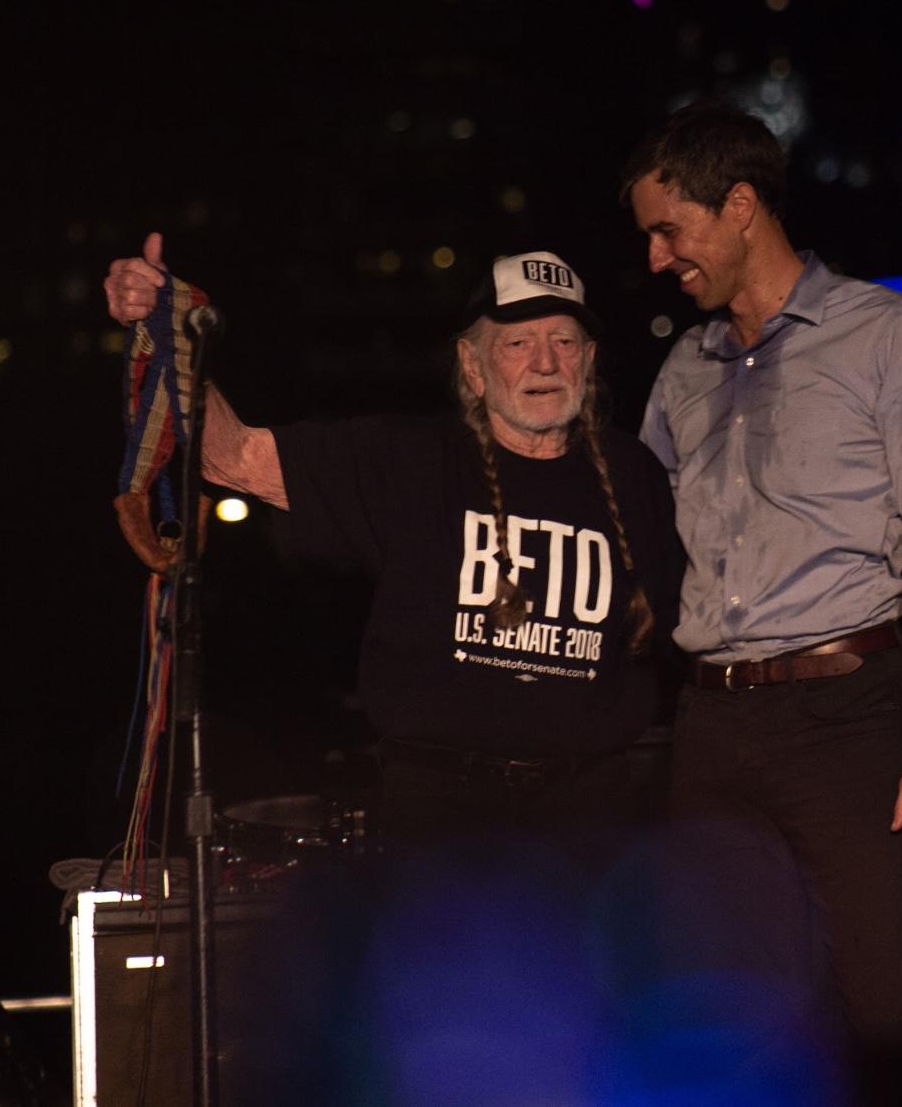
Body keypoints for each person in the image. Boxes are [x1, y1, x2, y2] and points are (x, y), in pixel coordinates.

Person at [103, 236, 682, 843]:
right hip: (439, 821)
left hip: (592, 821)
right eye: (517, 342)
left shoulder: (637, 475)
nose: (545, 362)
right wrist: (167, 329)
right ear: (472, 365)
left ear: (588, 362)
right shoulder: (406, 461)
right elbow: (233, 458)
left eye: (563, 341)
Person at [623, 102, 902, 1049]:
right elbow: (638, 550)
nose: (656, 258)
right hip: (711, 722)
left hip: (845, 713)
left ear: (739, 204)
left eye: (670, 229)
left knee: (887, 1006)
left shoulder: (887, 336)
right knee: (717, 1018)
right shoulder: (682, 371)